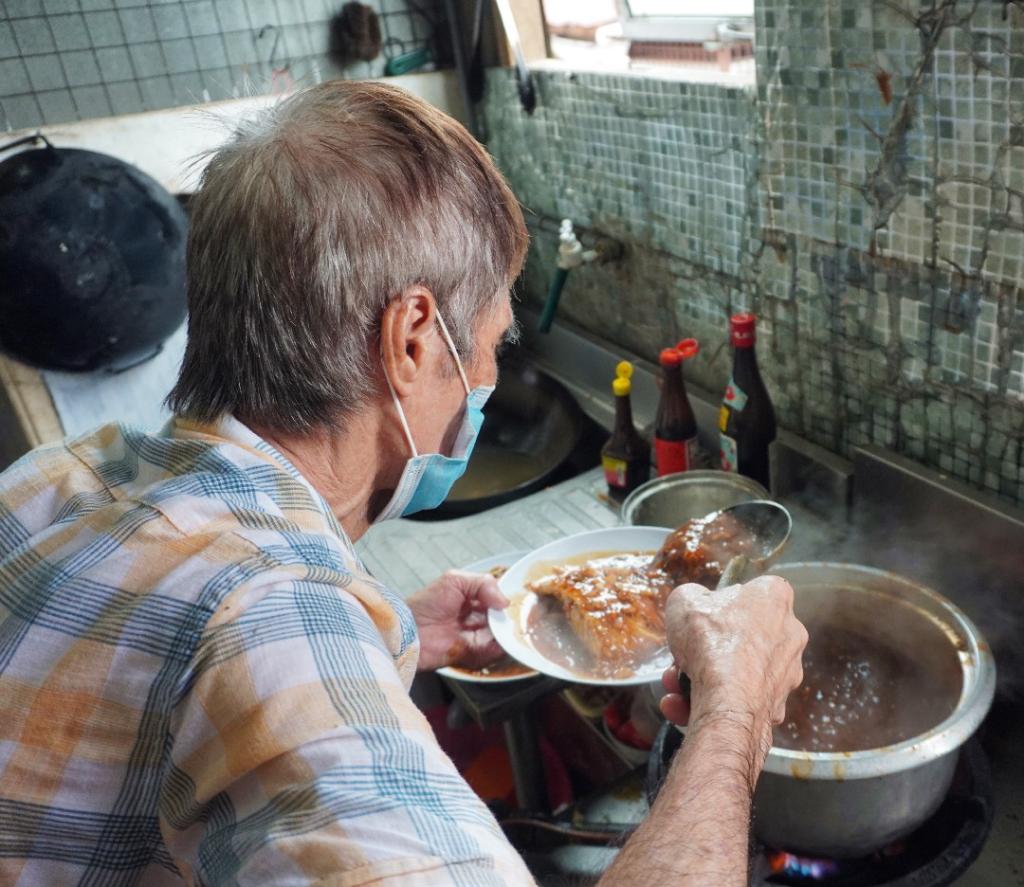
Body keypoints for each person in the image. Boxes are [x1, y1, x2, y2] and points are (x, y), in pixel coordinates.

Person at [0, 80, 807, 886]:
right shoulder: (272, 622)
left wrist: (399, 635)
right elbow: (267, 651)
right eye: (492, 343)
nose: (487, 377)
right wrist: (735, 708)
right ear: (412, 340)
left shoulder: (58, 476)